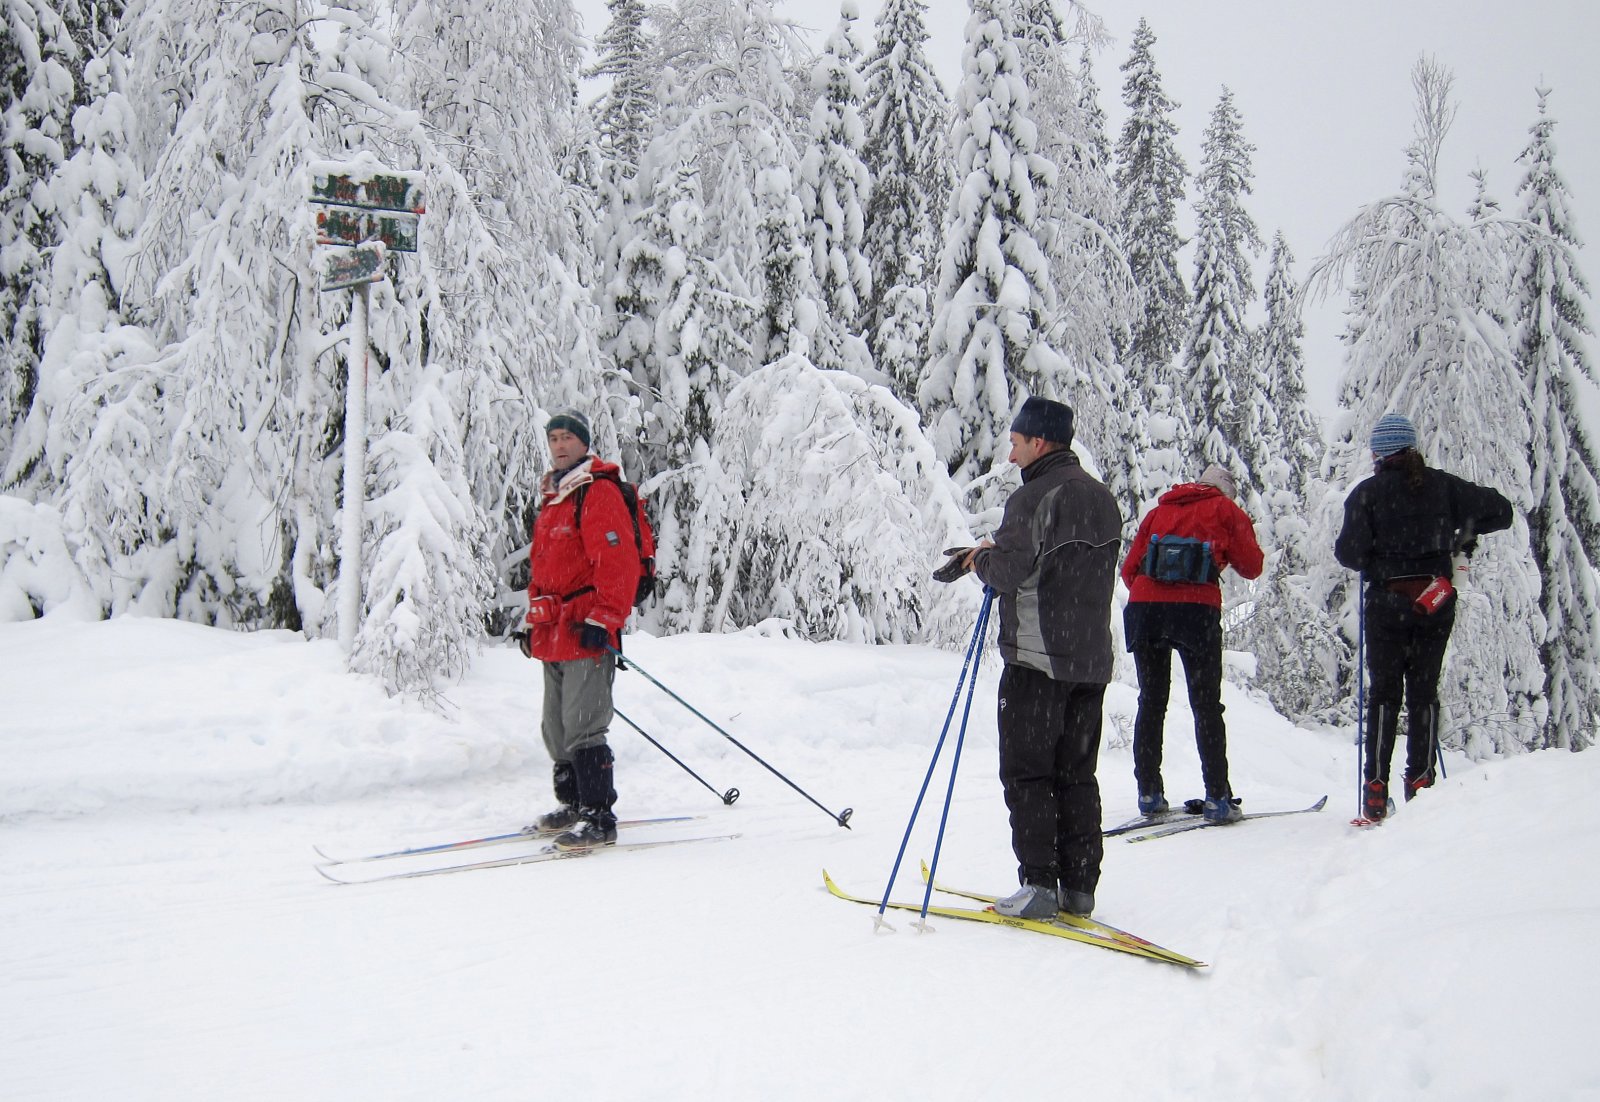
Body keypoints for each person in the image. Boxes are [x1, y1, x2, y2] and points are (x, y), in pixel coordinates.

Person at [939, 396, 1122, 920]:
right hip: (1089, 663)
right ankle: (1079, 887)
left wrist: (980, 560)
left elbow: (1007, 573)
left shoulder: (1034, 497)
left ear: (1039, 441)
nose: (1012, 454)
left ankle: (1039, 884)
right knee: (1077, 774)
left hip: (1037, 662)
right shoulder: (1103, 498)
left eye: (1017, 443)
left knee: (1028, 773)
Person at [1334, 412, 1512, 821]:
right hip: (1434, 599)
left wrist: (1379, 555)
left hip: (1386, 602)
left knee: (1383, 695)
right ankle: (1421, 783)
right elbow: (1502, 511)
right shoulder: (1443, 486)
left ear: (1379, 454)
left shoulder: (1367, 494)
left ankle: (1375, 789)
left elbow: (1349, 554)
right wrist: (1462, 532)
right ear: (1412, 447)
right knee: (1423, 692)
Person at [520, 410, 643, 850]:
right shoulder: (556, 496)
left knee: (583, 725)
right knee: (555, 726)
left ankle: (598, 816)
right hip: (552, 629)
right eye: (554, 437)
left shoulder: (596, 491)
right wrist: (531, 621)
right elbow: (543, 568)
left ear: (584, 443)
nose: (559, 445)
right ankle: (571, 804)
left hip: (586, 626)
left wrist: (605, 618)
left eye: (568, 437)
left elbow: (618, 562)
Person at [1119, 464, 1264, 824]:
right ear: (1225, 491)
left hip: (1145, 609)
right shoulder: (1226, 510)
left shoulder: (1159, 511)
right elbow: (1252, 566)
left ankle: (1149, 793)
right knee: (1206, 705)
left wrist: (1157, 592)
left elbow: (1129, 570)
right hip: (1196, 611)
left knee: (1151, 701)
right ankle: (1217, 798)